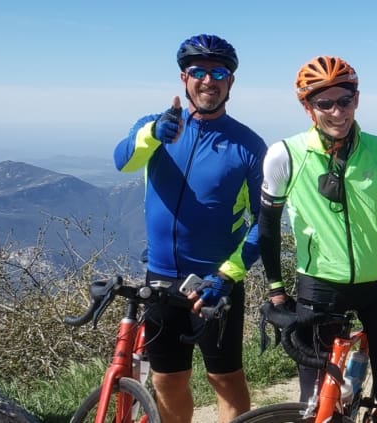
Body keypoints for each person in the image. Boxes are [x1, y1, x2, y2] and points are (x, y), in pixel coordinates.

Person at [257, 55, 377, 423]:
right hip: (319, 288)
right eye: (324, 103)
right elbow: (267, 226)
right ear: (307, 107)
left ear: (357, 99)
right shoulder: (286, 155)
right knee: (316, 400)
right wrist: (276, 291)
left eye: (344, 100)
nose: (336, 112)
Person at [112, 34, 264, 423]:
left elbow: (266, 223)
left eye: (218, 72)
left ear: (231, 82)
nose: (208, 81)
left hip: (216, 282)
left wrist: (227, 277)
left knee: (225, 378)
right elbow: (123, 161)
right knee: (166, 379)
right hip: (161, 277)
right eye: (199, 71)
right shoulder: (155, 126)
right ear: (184, 78)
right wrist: (152, 135)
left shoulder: (248, 145)